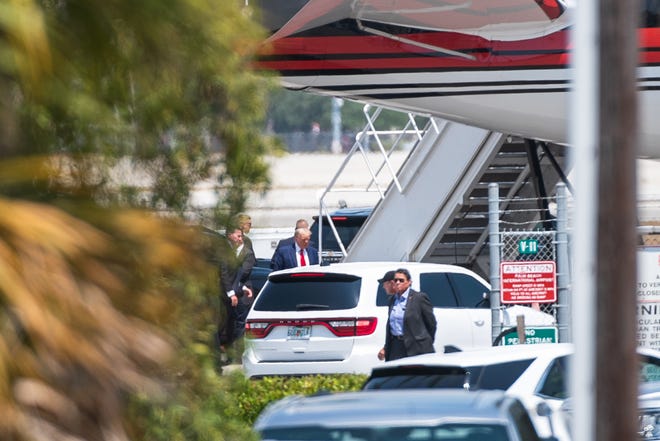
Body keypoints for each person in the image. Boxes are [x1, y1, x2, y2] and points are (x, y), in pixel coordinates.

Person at [378, 268, 437, 362]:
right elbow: (391, 326)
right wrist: (386, 347)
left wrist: (425, 342)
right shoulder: (392, 300)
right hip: (396, 346)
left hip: (416, 347)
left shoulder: (419, 298)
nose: (397, 282)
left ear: (409, 282)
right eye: (395, 280)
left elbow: (431, 324)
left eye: (401, 280)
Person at [217, 224, 256, 362]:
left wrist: (239, 290)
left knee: (238, 325)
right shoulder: (226, 251)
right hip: (231, 293)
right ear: (230, 235)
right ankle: (227, 353)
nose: (240, 239)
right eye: (238, 236)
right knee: (226, 324)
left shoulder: (247, 253)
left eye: (241, 236)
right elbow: (225, 273)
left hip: (240, 294)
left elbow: (242, 273)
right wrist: (233, 292)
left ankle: (237, 355)